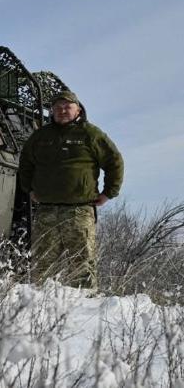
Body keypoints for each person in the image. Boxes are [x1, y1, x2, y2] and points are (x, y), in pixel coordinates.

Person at [18, 90, 124, 289]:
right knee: (41, 267)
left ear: (78, 109)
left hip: (79, 212)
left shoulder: (90, 134)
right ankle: (39, 310)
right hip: (46, 212)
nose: (62, 110)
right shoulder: (41, 136)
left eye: (67, 106)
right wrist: (29, 189)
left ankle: (83, 310)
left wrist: (108, 192)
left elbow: (114, 162)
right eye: (57, 107)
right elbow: (25, 164)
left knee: (82, 266)